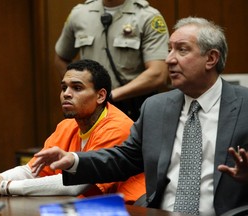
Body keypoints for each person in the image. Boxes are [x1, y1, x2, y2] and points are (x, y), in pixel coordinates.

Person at [32, 17, 248, 216]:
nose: (170, 59)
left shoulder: (244, 106)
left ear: (211, 58)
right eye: (169, 50)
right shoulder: (156, 107)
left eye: (182, 50)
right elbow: (125, 159)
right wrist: (74, 160)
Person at [0, 59, 145, 203]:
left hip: (128, 209)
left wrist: (5, 186)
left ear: (101, 96)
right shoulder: (67, 126)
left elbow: (76, 185)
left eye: (77, 88)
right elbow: (33, 170)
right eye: (63, 88)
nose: (66, 94)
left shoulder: (118, 127)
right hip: (88, 207)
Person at [54, 0, 169, 121]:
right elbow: (61, 58)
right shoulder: (80, 14)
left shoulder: (147, 16)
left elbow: (158, 73)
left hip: (132, 106)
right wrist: (77, 88)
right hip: (91, 106)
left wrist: (112, 96)